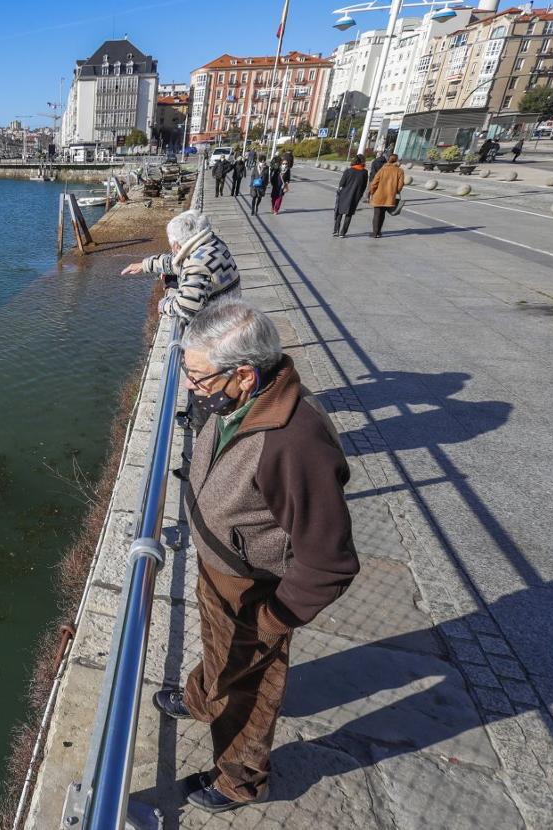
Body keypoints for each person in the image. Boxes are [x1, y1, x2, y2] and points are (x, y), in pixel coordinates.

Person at [154, 297, 358, 814]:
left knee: (251, 686)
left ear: (244, 374)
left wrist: (274, 619)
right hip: (221, 566)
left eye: (198, 379)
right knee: (220, 651)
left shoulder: (295, 443)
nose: (191, 389)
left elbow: (329, 559)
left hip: (255, 588)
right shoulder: (239, 401)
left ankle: (239, 781)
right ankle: (202, 696)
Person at [120, 209, 239, 318]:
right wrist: (144, 265)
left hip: (220, 325)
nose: (172, 249)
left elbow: (186, 308)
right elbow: (177, 263)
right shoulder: (212, 243)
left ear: (176, 245)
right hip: (233, 310)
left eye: (171, 245)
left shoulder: (197, 265)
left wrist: (164, 305)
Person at [367, 153, 405, 238]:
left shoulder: (383, 169)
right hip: (390, 196)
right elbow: (400, 185)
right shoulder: (400, 171)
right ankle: (379, 232)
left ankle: (375, 233)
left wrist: (371, 192)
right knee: (383, 214)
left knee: (377, 214)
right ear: (396, 161)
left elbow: (374, 183)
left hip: (378, 195)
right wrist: (395, 191)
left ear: (388, 160)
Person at [332, 153, 368, 238]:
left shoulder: (348, 171)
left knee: (339, 212)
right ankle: (343, 233)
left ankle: (336, 231)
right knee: (349, 214)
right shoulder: (364, 172)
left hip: (344, 194)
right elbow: (364, 185)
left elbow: (341, 183)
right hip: (355, 195)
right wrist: (360, 194)